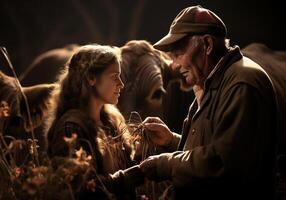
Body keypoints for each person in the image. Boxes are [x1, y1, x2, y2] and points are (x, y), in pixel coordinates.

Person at [137, 5, 277, 199]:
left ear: (207, 45)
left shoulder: (241, 83)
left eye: (178, 54)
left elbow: (222, 163)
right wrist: (172, 141)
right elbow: (215, 145)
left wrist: (166, 164)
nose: (175, 65)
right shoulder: (213, 82)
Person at [44, 44, 143, 199]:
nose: (121, 84)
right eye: (114, 76)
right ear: (91, 78)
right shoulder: (70, 127)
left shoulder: (111, 122)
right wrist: (129, 177)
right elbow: (82, 189)